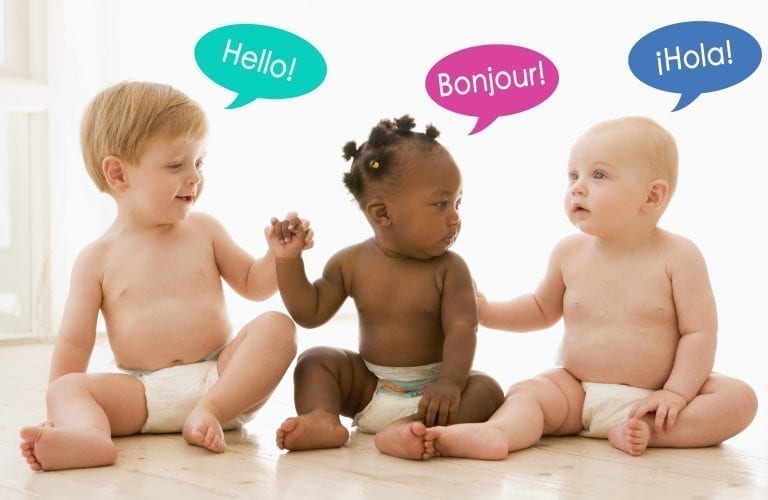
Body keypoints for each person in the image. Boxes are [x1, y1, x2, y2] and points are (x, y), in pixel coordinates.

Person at [423, 116, 758, 459]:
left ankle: (645, 431)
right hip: (577, 391)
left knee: (738, 399)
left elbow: (699, 334)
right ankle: (499, 434)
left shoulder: (679, 256)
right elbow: (540, 309)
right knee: (530, 392)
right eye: (573, 175)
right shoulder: (569, 252)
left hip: (655, 397)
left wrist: (675, 393)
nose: (577, 188)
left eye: (598, 175)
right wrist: (488, 311)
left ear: (652, 196)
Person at [19, 81, 311, 471]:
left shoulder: (204, 230)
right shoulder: (96, 259)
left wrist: (279, 257)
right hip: (141, 393)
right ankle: (88, 436)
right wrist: (59, 406)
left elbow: (255, 285)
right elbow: (74, 343)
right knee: (67, 388)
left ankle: (207, 413)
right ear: (119, 175)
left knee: (277, 326)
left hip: (220, 380)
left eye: (199, 162)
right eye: (176, 165)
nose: (194, 177)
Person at [267, 115, 504, 460]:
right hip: (370, 385)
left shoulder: (451, 269)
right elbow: (310, 313)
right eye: (440, 204)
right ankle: (322, 418)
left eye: (457, 203)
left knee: (487, 391)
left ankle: (410, 428)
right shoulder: (349, 263)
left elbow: (462, 328)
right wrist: (288, 261)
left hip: (434, 394)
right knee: (315, 361)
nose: (454, 217)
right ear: (382, 214)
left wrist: (450, 384)